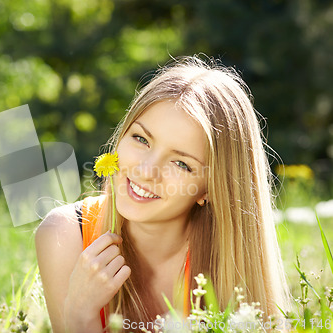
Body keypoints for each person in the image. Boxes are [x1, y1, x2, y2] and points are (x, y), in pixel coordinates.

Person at [35, 56, 293, 333]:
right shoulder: (65, 235)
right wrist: (79, 316)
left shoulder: (230, 261)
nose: (146, 171)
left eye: (181, 163)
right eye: (141, 139)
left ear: (211, 189)